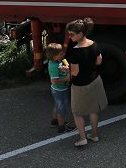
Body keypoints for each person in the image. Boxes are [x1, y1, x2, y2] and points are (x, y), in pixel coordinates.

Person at [66, 18, 108, 148]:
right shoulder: (93, 44)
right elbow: (99, 61)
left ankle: (83, 138)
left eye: (72, 34)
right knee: (93, 110)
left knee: (77, 112)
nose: (69, 36)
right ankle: (94, 135)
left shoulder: (75, 51)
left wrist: (65, 69)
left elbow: (74, 73)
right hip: (95, 80)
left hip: (80, 85)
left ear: (80, 34)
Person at [45, 43, 74, 134]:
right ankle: (61, 127)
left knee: (57, 106)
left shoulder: (57, 61)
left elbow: (61, 68)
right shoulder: (54, 66)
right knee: (61, 109)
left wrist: (64, 68)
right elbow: (54, 81)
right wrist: (67, 78)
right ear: (54, 56)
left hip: (58, 89)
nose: (63, 54)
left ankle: (55, 121)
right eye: (61, 54)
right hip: (60, 90)